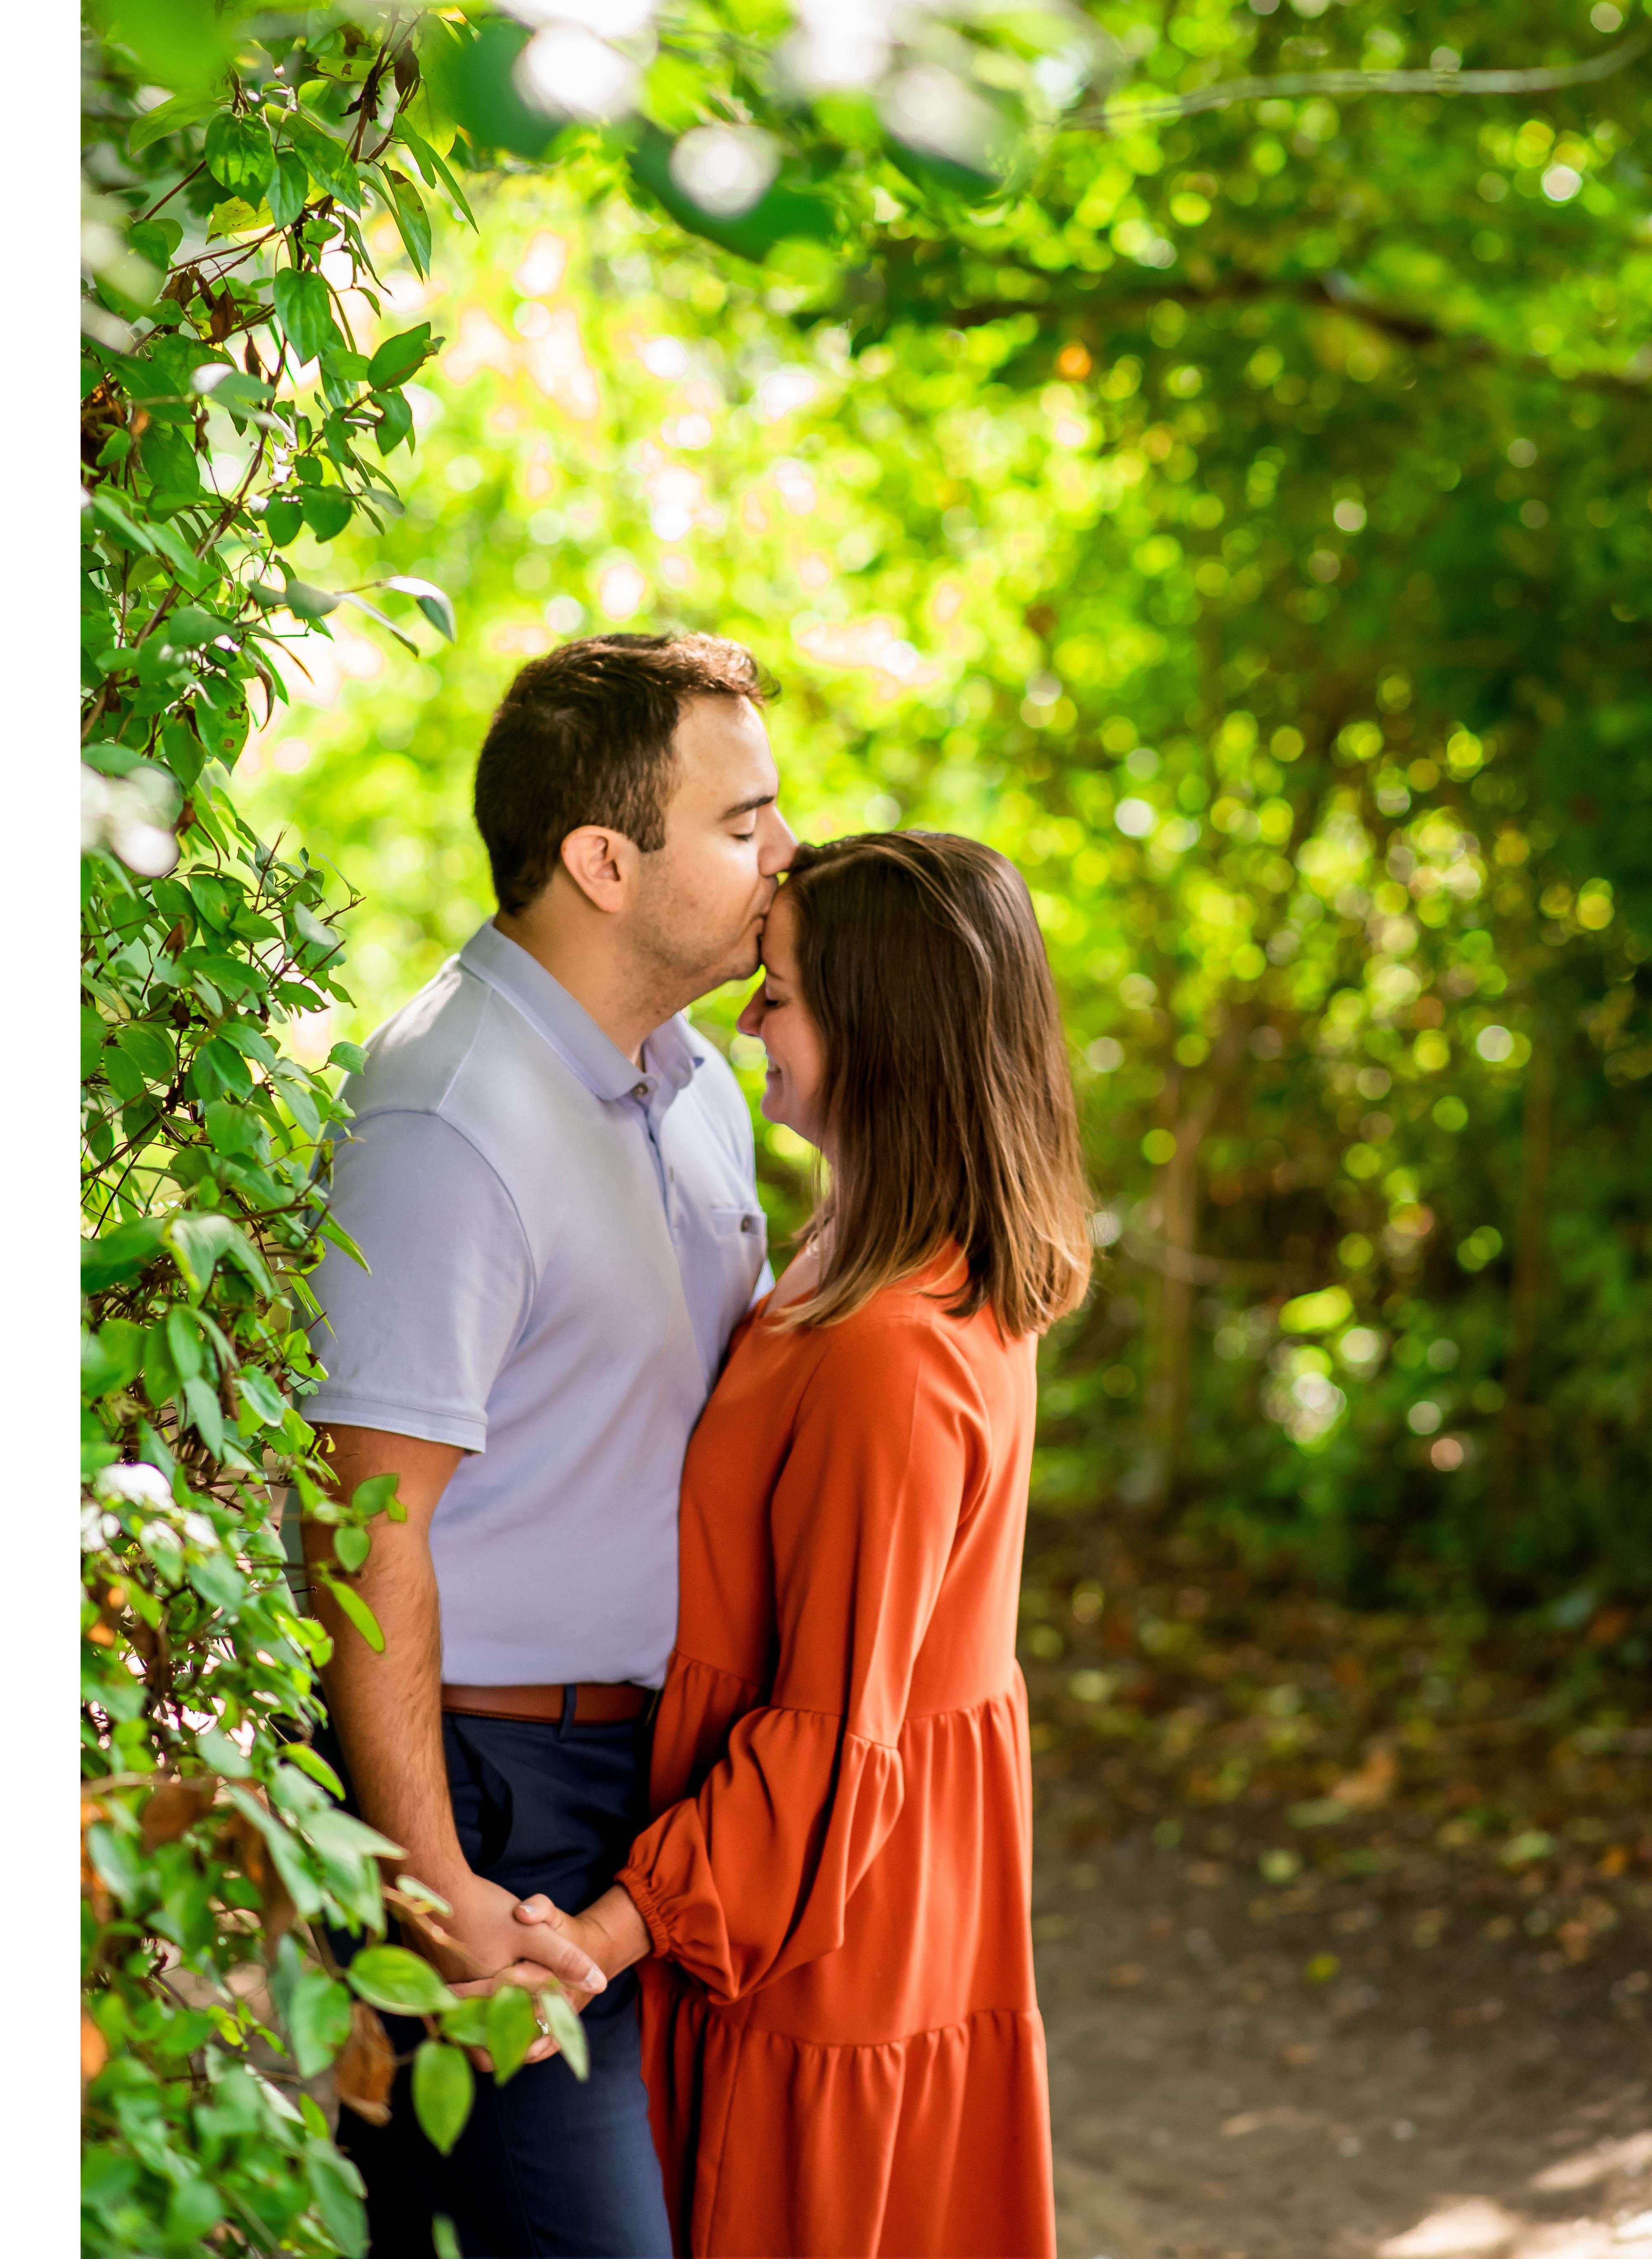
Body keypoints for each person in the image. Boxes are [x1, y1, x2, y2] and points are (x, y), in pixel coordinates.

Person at [508, 831, 1094, 2259]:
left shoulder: (888, 1352)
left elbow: (834, 1737)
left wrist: (603, 1937)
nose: (749, 1019)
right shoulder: (892, 1257)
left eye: (779, 993)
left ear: (882, 1031)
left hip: (829, 1928)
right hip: (884, 1882)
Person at [298, 632, 795, 2259]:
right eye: (742, 824)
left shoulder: (699, 1085)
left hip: (654, 1794)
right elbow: (365, 1531)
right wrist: (430, 1878)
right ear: (604, 858)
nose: (784, 858)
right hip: (492, 1800)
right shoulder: (449, 1115)